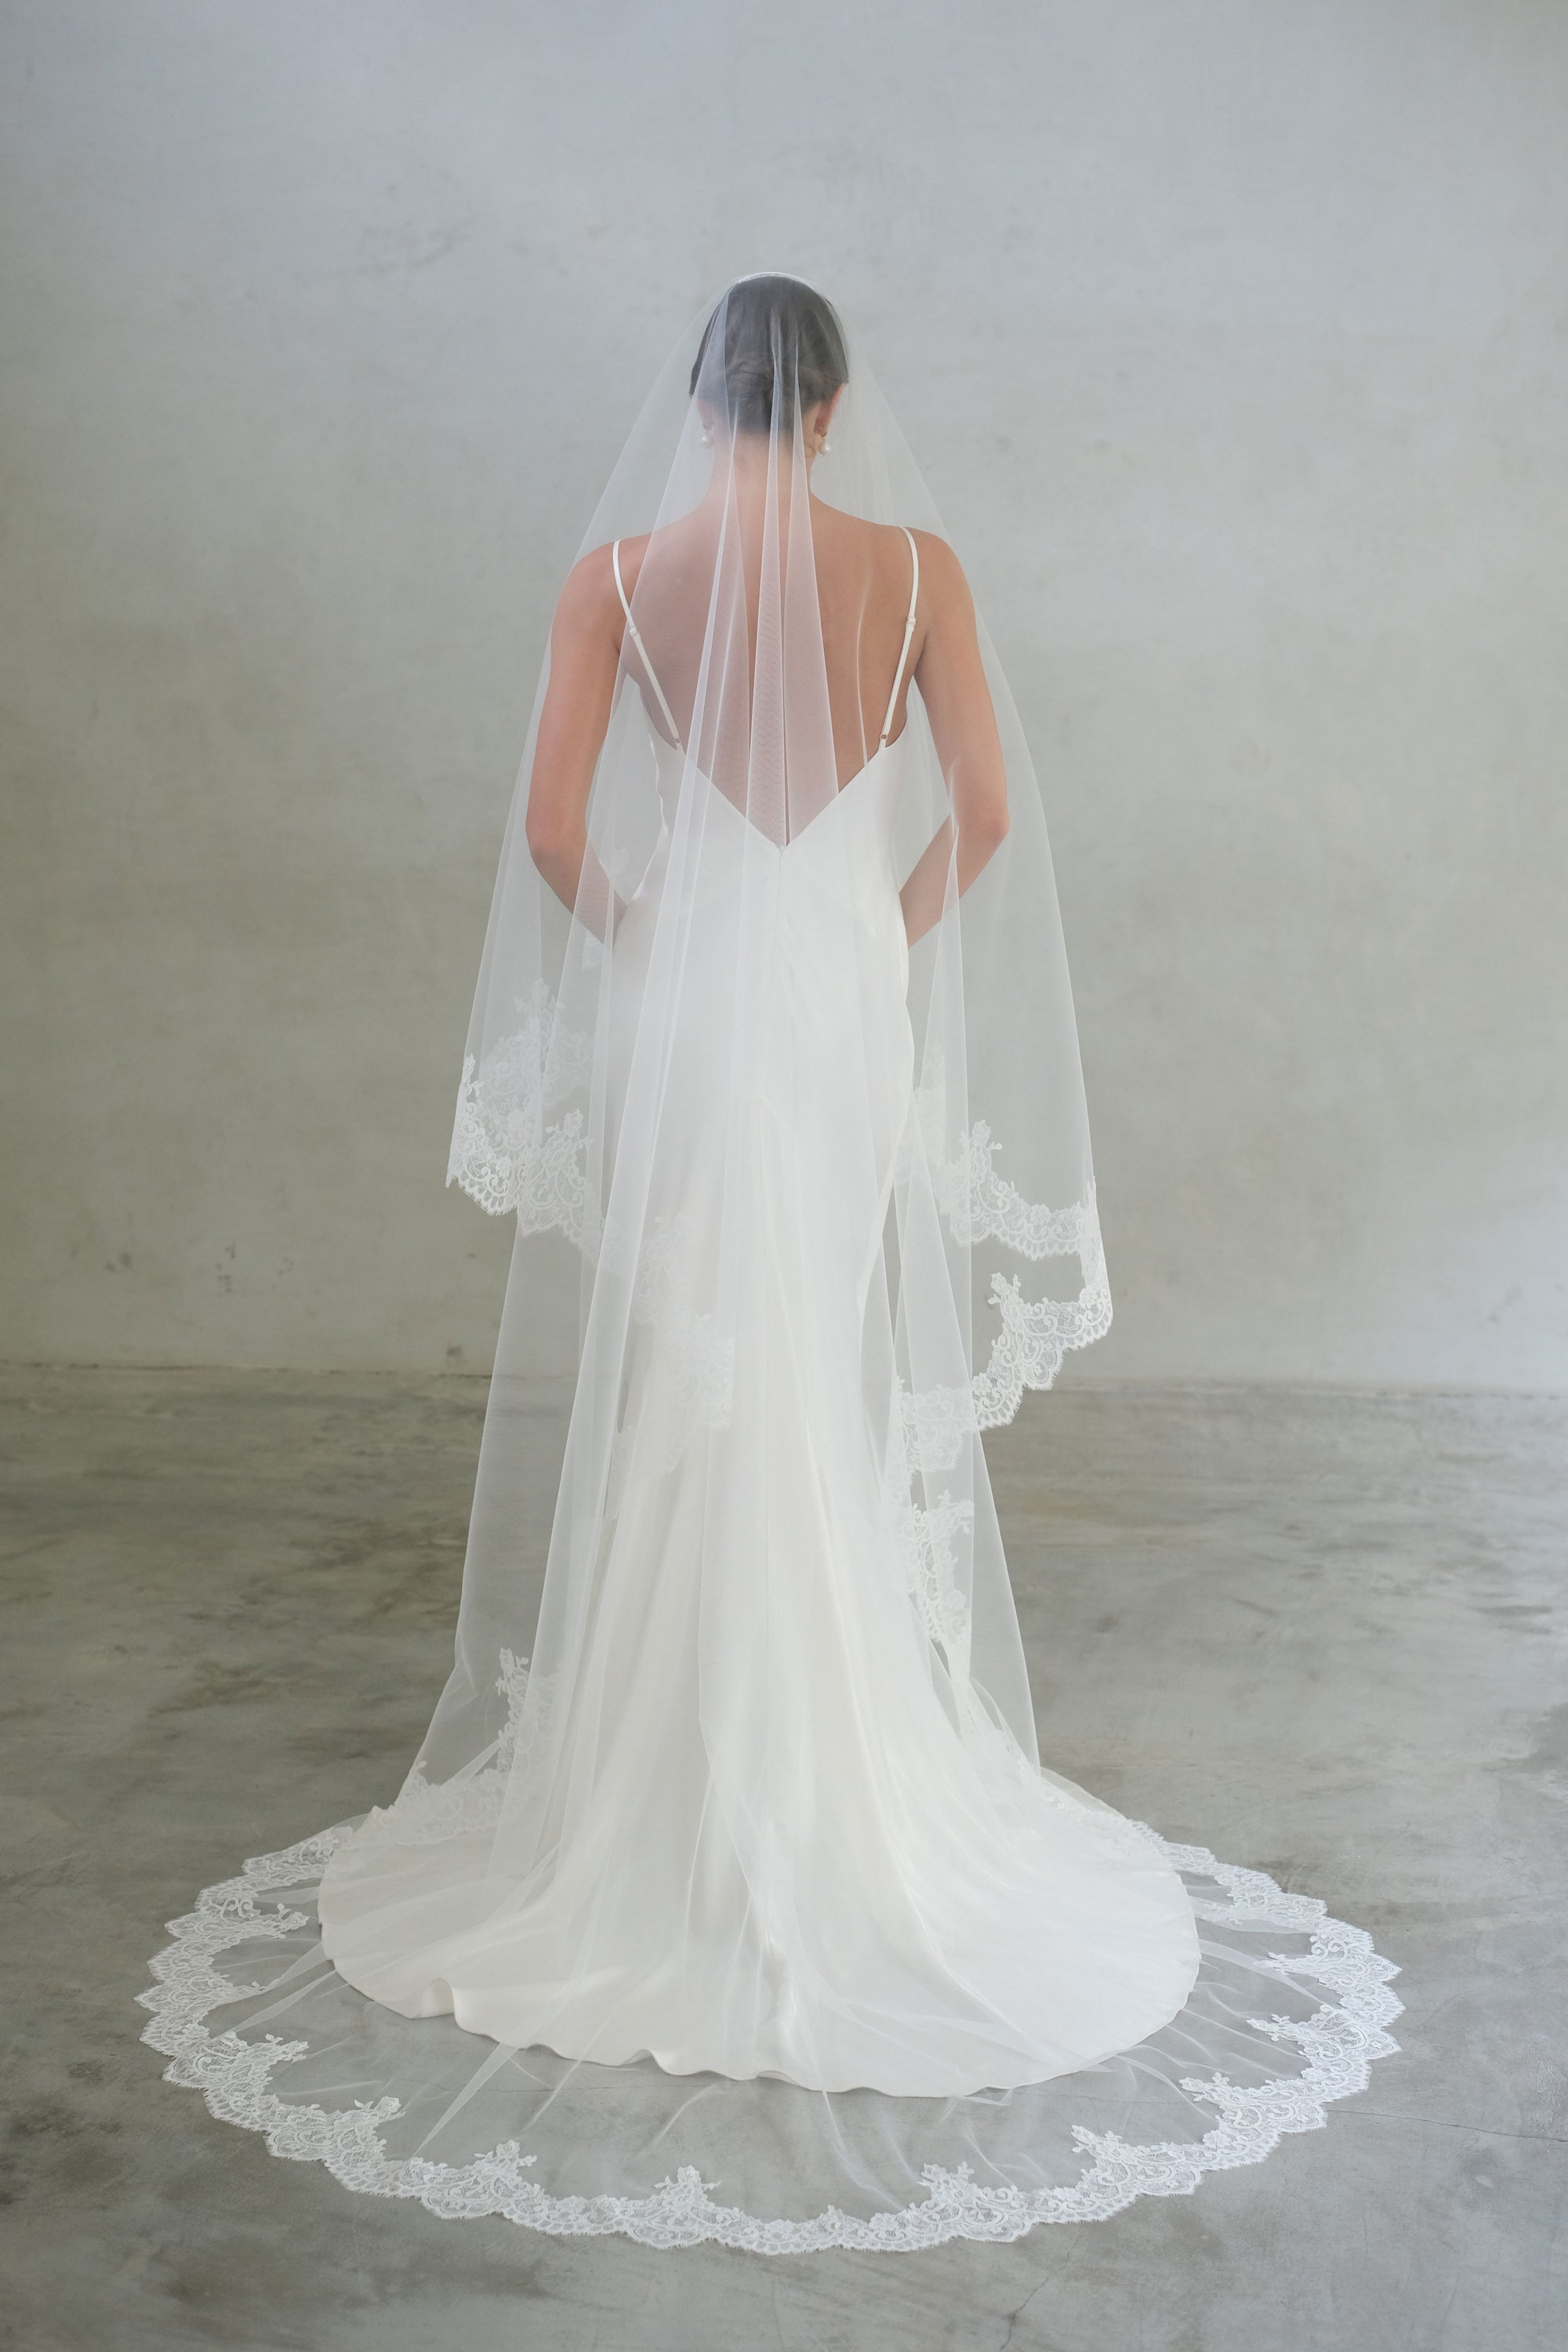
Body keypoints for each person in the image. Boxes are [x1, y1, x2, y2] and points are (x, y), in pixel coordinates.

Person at [142, 278, 1401, 2249]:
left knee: (696, 1362)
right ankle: (839, 1788)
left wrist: (672, 936)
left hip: (701, 984)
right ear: (827, 413)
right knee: (809, 1355)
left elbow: (557, 836)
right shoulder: (915, 569)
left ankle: (659, 1800)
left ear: (708, 405)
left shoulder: (615, 578)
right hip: (831, 990)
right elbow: (982, 816)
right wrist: (865, 938)